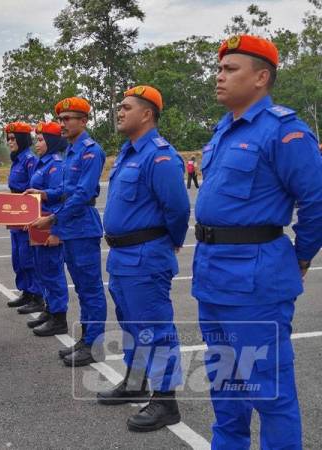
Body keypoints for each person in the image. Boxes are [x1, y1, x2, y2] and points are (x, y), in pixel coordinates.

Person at [193, 35, 322, 449]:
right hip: (212, 276)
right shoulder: (221, 132)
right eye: (219, 69)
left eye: (231, 69)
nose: (219, 77)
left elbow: (316, 201)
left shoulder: (284, 132)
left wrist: (300, 258)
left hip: (255, 282)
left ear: (262, 77)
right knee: (226, 388)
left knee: (268, 391)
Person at [98, 86, 190, 432]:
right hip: (122, 257)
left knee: (154, 328)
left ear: (147, 114)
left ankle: (166, 402)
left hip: (146, 256)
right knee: (131, 325)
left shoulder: (159, 155)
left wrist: (173, 242)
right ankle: (135, 381)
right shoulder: (127, 153)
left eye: (126, 107)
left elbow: (178, 208)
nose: (119, 112)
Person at [28, 97, 107, 367]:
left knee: (91, 289)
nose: (62, 124)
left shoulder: (90, 151)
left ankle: (94, 343)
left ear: (83, 122)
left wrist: (52, 218)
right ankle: (87, 339)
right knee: (83, 290)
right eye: (60, 119)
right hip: (71, 227)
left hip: (82, 226)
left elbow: (83, 193)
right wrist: (43, 193)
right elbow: (65, 190)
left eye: (68, 119)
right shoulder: (70, 152)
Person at [26, 121, 69, 336]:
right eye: (36, 139)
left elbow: (62, 194)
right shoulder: (43, 163)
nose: (37, 144)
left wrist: (56, 230)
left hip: (50, 223)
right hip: (38, 222)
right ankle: (50, 310)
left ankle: (59, 318)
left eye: (41, 140)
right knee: (42, 269)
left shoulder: (57, 164)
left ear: (52, 141)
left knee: (53, 272)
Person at [4, 122, 43, 314]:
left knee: (29, 257)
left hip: (27, 215)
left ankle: (37, 296)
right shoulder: (17, 160)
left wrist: (32, 217)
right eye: (8, 139)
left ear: (21, 139)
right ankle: (26, 292)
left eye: (13, 139)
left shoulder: (29, 160)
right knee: (18, 257)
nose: (10, 142)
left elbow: (34, 190)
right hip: (16, 216)